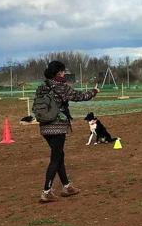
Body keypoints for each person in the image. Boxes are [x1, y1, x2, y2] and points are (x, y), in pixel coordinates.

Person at [37, 60, 99, 203]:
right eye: (63, 71)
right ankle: (46, 191)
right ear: (59, 72)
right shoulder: (62, 87)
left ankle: (67, 186)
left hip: (44, 126)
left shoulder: (41, 87)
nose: (65, 74)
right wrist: (94, 91)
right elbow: (79, 96)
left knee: (59, 155)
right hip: (58, 126)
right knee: (55, 158)